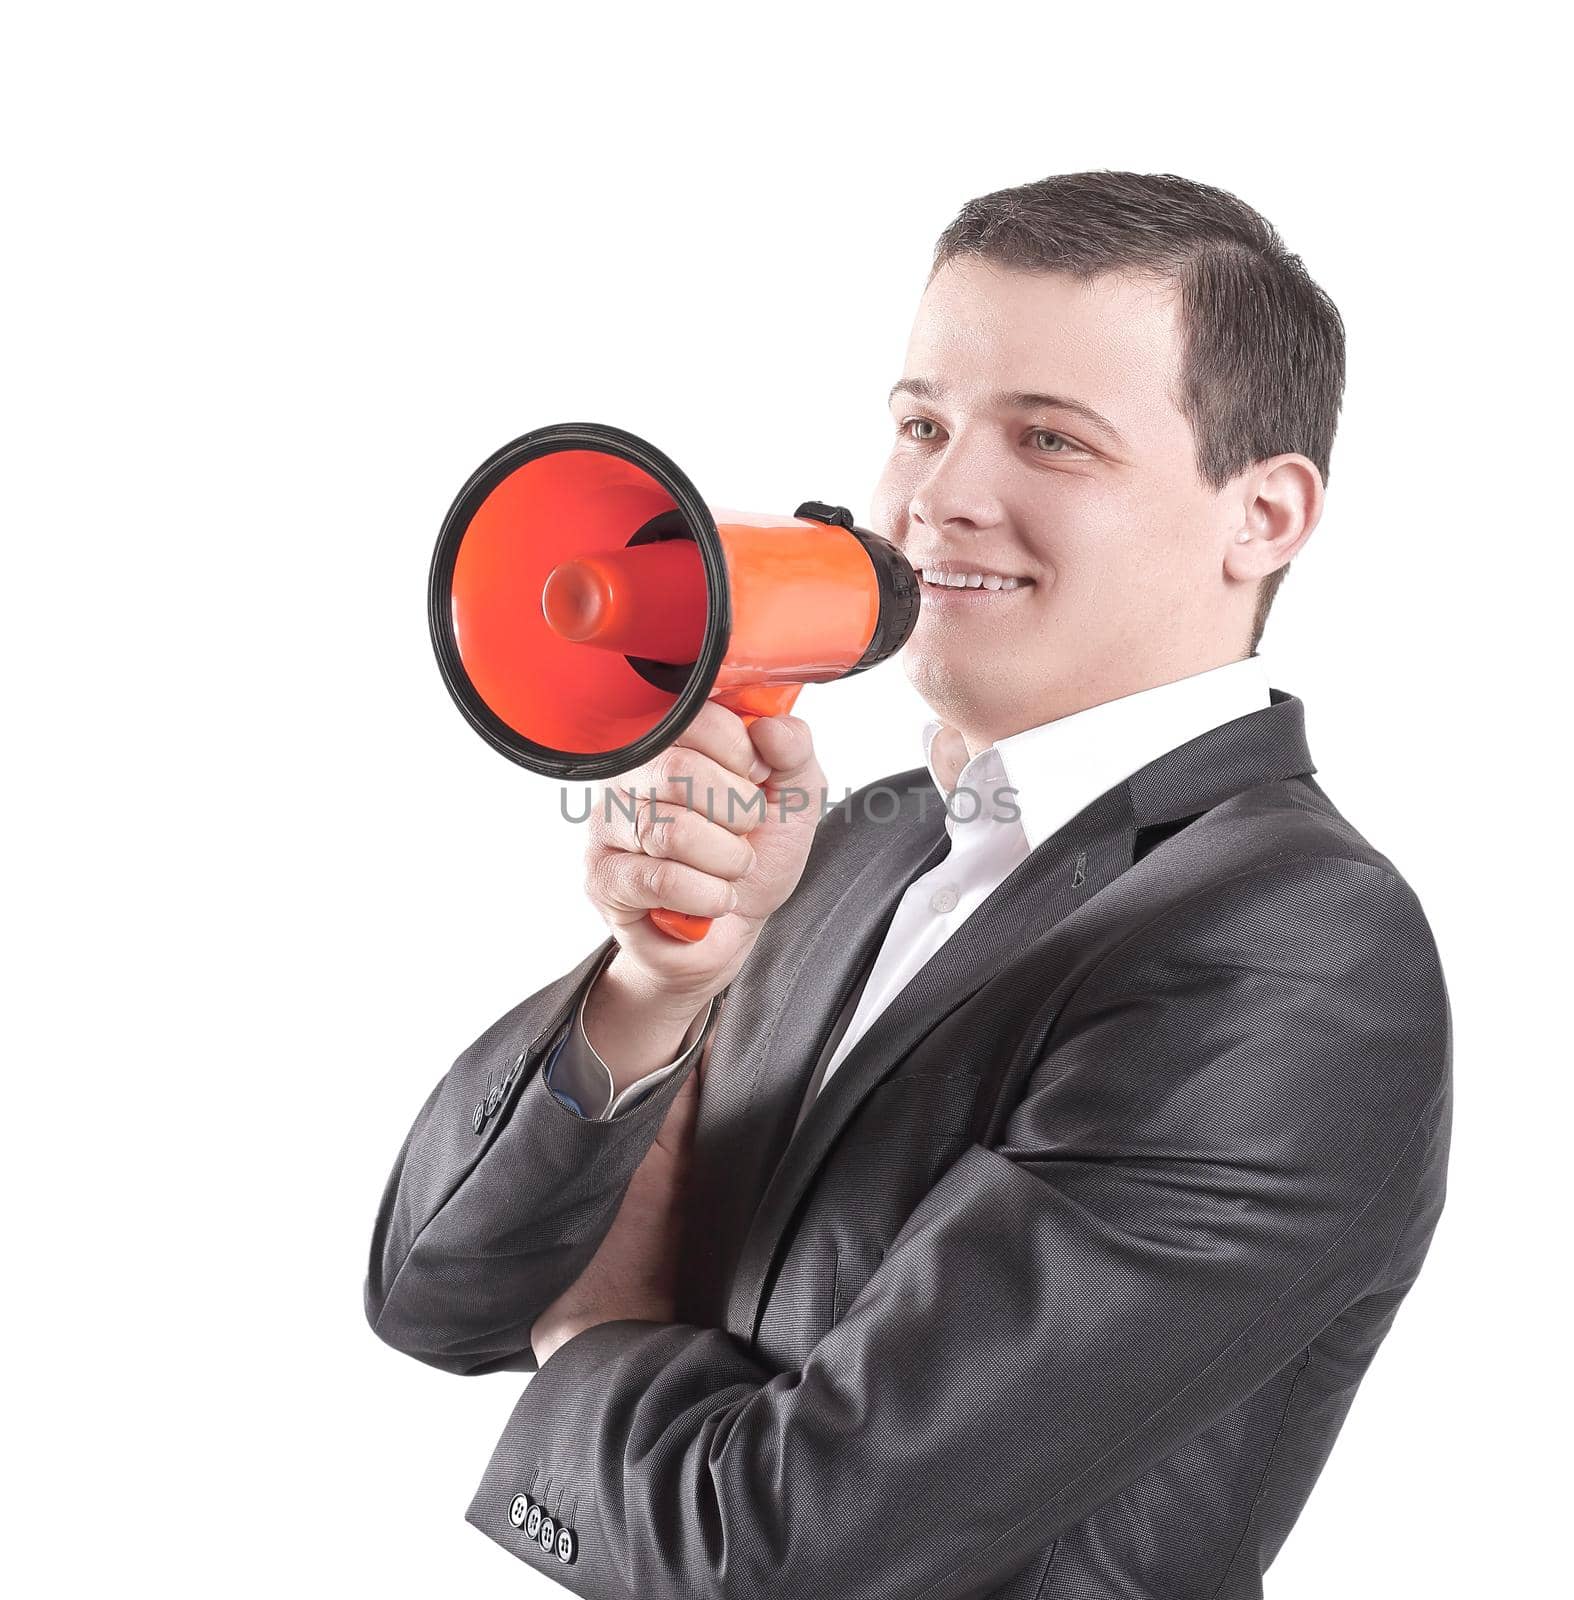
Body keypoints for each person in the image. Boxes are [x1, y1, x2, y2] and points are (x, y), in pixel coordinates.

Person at [365, 171, 1451, 1599]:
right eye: (922, 425)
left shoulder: (1294, 952)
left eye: (1051, 441)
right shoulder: (861, 843)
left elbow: (797, 1553)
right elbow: (435, 1297)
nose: (938, 500)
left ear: (1261, 513)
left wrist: (599, 1340)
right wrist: (655, 987)